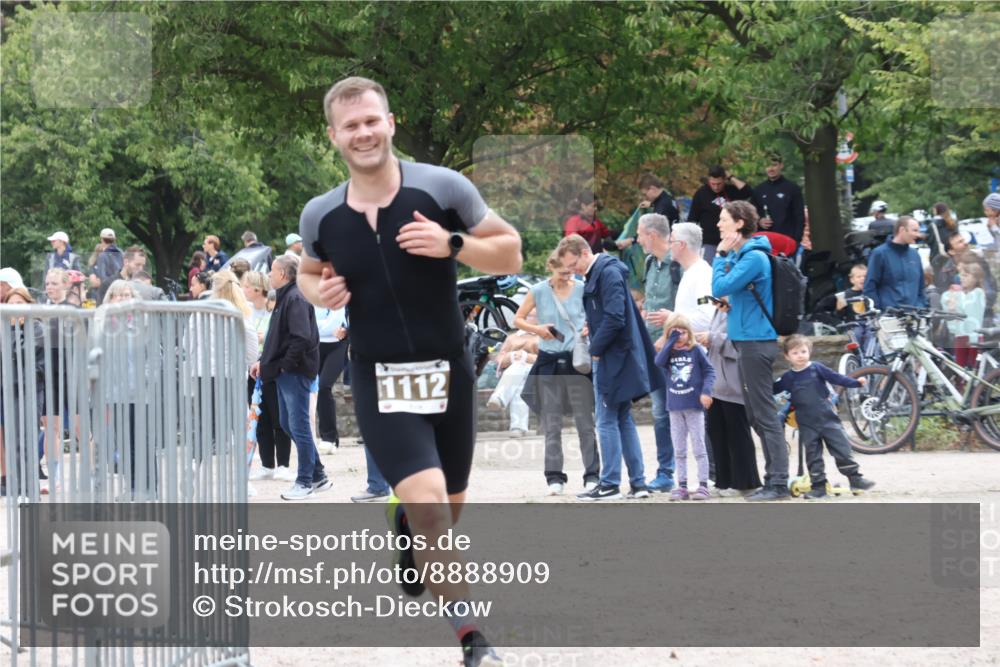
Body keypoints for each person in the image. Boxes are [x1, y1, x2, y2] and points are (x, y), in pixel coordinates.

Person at [296, 76, 521, 667]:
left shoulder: (441, 187)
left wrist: (453, 244)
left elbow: (511, 250)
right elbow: (304, 273)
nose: (363, 132)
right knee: (430, 510)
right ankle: (473, 639)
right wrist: (323, 291)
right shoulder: (321, 213)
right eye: (351, 126)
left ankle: (406, 529)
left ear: (390, 123)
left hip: (449, 371)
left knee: (448, 506)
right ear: (334, 138)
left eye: (372, 120)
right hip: (379, 377)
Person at [557, 234, 662, 501]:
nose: (572, 271)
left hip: (612, 358)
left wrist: (595, 350)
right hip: (618, 354)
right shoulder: (601, 273)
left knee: (605, 421)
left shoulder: (606, 273)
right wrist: (594, 327)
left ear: (584, 252)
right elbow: (610, 315)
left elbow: (615, 317)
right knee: (622, 418)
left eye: (573, 265)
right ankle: (637, 484)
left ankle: (610, 484)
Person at [712, 200, 790, 501]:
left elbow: (719, 285)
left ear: (739, 223)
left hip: (756, 344)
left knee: (765, 415)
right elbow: (731, 291)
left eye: (723, 219)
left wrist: (720, 255)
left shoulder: (753, 257)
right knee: (757, 415)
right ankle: (775, 480)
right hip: (748, 341)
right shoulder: (745, 256)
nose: (719, 225)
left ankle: (778, 483)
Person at [514, 251, 598, 495]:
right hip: (549, 362)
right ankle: (554, 478)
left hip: (576, 362)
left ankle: (592, 475)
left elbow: (593, 316)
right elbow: (518, 319)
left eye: (570, 271)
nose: (566, 275)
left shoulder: (581, 288)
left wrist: (587, 328)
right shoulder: (538, 290)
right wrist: (537, 329)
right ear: (551, 267)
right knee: (551, 424)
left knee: (585, 422)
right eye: (562, 271)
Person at [252, 256, 330, 500]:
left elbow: (301, 338)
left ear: (284, 274)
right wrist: (264, 362)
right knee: (288, 424)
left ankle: (305, 481)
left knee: (299, 426)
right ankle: (317, 474)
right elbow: (279, 338)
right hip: (286, 372)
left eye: (273, 271)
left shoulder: (294, 297)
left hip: (294, 373)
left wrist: (284, 366)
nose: (269, 275)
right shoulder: (286, 297)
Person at [773, 335, 876, 499]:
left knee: (842, 448)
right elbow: (773, 390)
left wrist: (856, 382)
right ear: (787, 356)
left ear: (810, 352)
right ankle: (819, 487)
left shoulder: (817, 368)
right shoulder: (788, 378)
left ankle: (855, 478)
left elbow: (837, 378)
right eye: (795, 353)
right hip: (806, 423)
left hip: (828, 418)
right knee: (813, 456)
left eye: (803, 351)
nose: (800, 355)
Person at [695, 298, 761, 494]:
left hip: (734, 384)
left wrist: (713, 338)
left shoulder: (742, 309)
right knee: (717, 434)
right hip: (716, 385)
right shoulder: (718, 311)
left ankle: (745, 483)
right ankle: (723, 481)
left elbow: (742, 345)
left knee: (738, 434)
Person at [634, 213, 677, 492]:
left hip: (679, 345)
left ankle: (708, 469)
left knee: (694, 409)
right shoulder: (650, 263)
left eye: (639, 234)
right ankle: (666, 472)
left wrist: (669, 324)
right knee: (661, 412)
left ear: (651, 234)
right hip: (654, 347)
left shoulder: (679, 263)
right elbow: (652, 300)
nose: (637, 239)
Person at [654, 313, 715, 501]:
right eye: (674, 332)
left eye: (682, 332)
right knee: (679, 449)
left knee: (698, 446)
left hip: (693, 405)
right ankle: (681, 485)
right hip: (675, 407)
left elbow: (710, 371)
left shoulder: (696, 351)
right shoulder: (668, 353)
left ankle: (703, 484)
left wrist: (706, 392)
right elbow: (658, 362)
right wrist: (670, 340)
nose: (679, 336)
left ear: (690, 333)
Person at [243, 272, 295, 482]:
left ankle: (283, 464)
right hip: (251, 371)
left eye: (246, 286)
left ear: (257, 289)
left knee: (279, 418)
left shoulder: (274, 309)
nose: (243, 289)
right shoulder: (245, 313)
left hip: (272, 370)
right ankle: (266, 464)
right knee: (260, 419)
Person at [687, 165, 755, 262]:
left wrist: (731, 177)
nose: (716, 187)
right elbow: (692, 219)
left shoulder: (731, 190)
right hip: (709, 242)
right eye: (712, 183)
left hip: (732, 241)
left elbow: (749, 192)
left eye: (719, 183)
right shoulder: (701, 193)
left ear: (724, 180)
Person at [863, 215, 928, 311]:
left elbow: (921, 287)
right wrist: (879, 311)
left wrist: (922, 306)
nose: (917, 235)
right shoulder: (880, 254)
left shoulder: (915, 255)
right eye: (914, 230)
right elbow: (870, 287)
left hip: (915, 316)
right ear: (902, 230)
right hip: (890, 317)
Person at [314, 303, 349, 454]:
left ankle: (329, 437)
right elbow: (310, 323)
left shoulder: (337, 294)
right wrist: (322, 325)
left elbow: (334, 326)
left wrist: (319, 325)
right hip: (316, 345)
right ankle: (327, 437)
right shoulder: (311, 294)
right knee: (316, 389)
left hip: (338, 345)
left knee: (324, 386)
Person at [941, 262, 987, 369]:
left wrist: (954, 298)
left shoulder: (979, 293)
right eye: (961, 275)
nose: (962, 278)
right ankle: (960, 385)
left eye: (966, 275)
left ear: (976, 278)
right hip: (960, 336)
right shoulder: (961, 295)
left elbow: (966, 308)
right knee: (960, 368)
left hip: (975, 337)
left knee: (973, 367)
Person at [754, 153, 805, 243]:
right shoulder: (758, 190)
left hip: (787, 240)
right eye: (767, 165)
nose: (771, 169)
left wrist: (797, 240)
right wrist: (759, 221)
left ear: (781, 165)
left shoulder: (792, 189)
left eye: (774, 165)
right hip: (764, 242)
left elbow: (799, 217)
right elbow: (752, 213)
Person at [90, 228, 124, 303]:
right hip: (122, 290)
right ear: (114, 239)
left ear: (102, 239)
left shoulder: (102, 255)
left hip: (107, 293)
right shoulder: (121, 253)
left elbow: (102, 278)